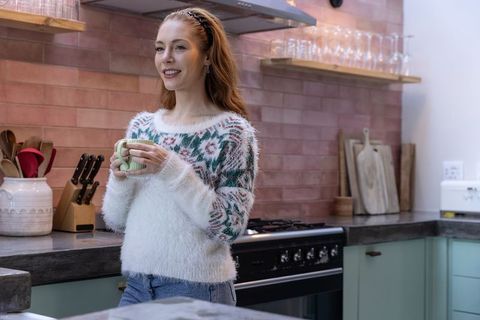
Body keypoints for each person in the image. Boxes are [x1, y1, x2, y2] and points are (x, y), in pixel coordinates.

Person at [101, 7, 258, 307]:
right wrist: (119, 179)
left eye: (180, 47)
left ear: (208, 56)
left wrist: (170, 168)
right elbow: (117, 221)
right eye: (160, 48)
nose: (166, 58)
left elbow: (230, 226)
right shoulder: (142, 126)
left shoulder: (233, 132)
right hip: (137, 287)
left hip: (197, 291)